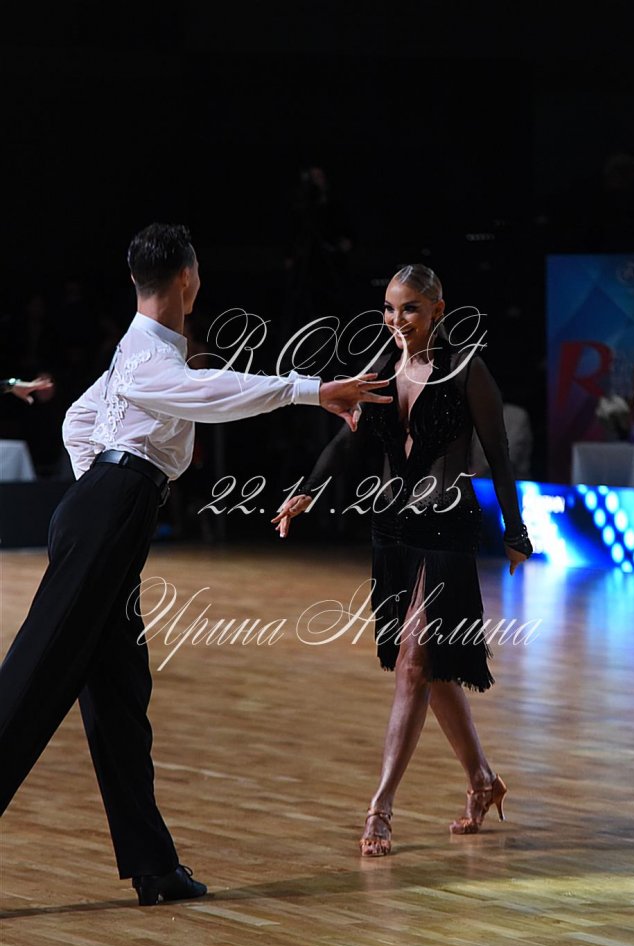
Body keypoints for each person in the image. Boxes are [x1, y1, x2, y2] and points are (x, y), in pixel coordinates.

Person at [0, 223, 392, 903]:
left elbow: (76, 422)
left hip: (106, 512)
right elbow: (208, 394)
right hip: (109, 512)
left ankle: (153, 867)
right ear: (188, 278)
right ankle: (152, 864)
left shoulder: (136, 353)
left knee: (121, 697)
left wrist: (98, 484)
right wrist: (310, 389)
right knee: (35, 677)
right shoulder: (153, 357)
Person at [272, 263, 533, 856]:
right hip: (391, 530)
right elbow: (345, 442)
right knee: (430, 668)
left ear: (438, 308)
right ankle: (482, 780)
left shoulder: (467, 370)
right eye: (390, 309)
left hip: (446, 528)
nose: (397, 320)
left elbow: (500, 453)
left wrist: (516, 531)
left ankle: (380, 807)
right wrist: (305, 491)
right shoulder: (383, 369)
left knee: (415, 663)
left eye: (410, 308)